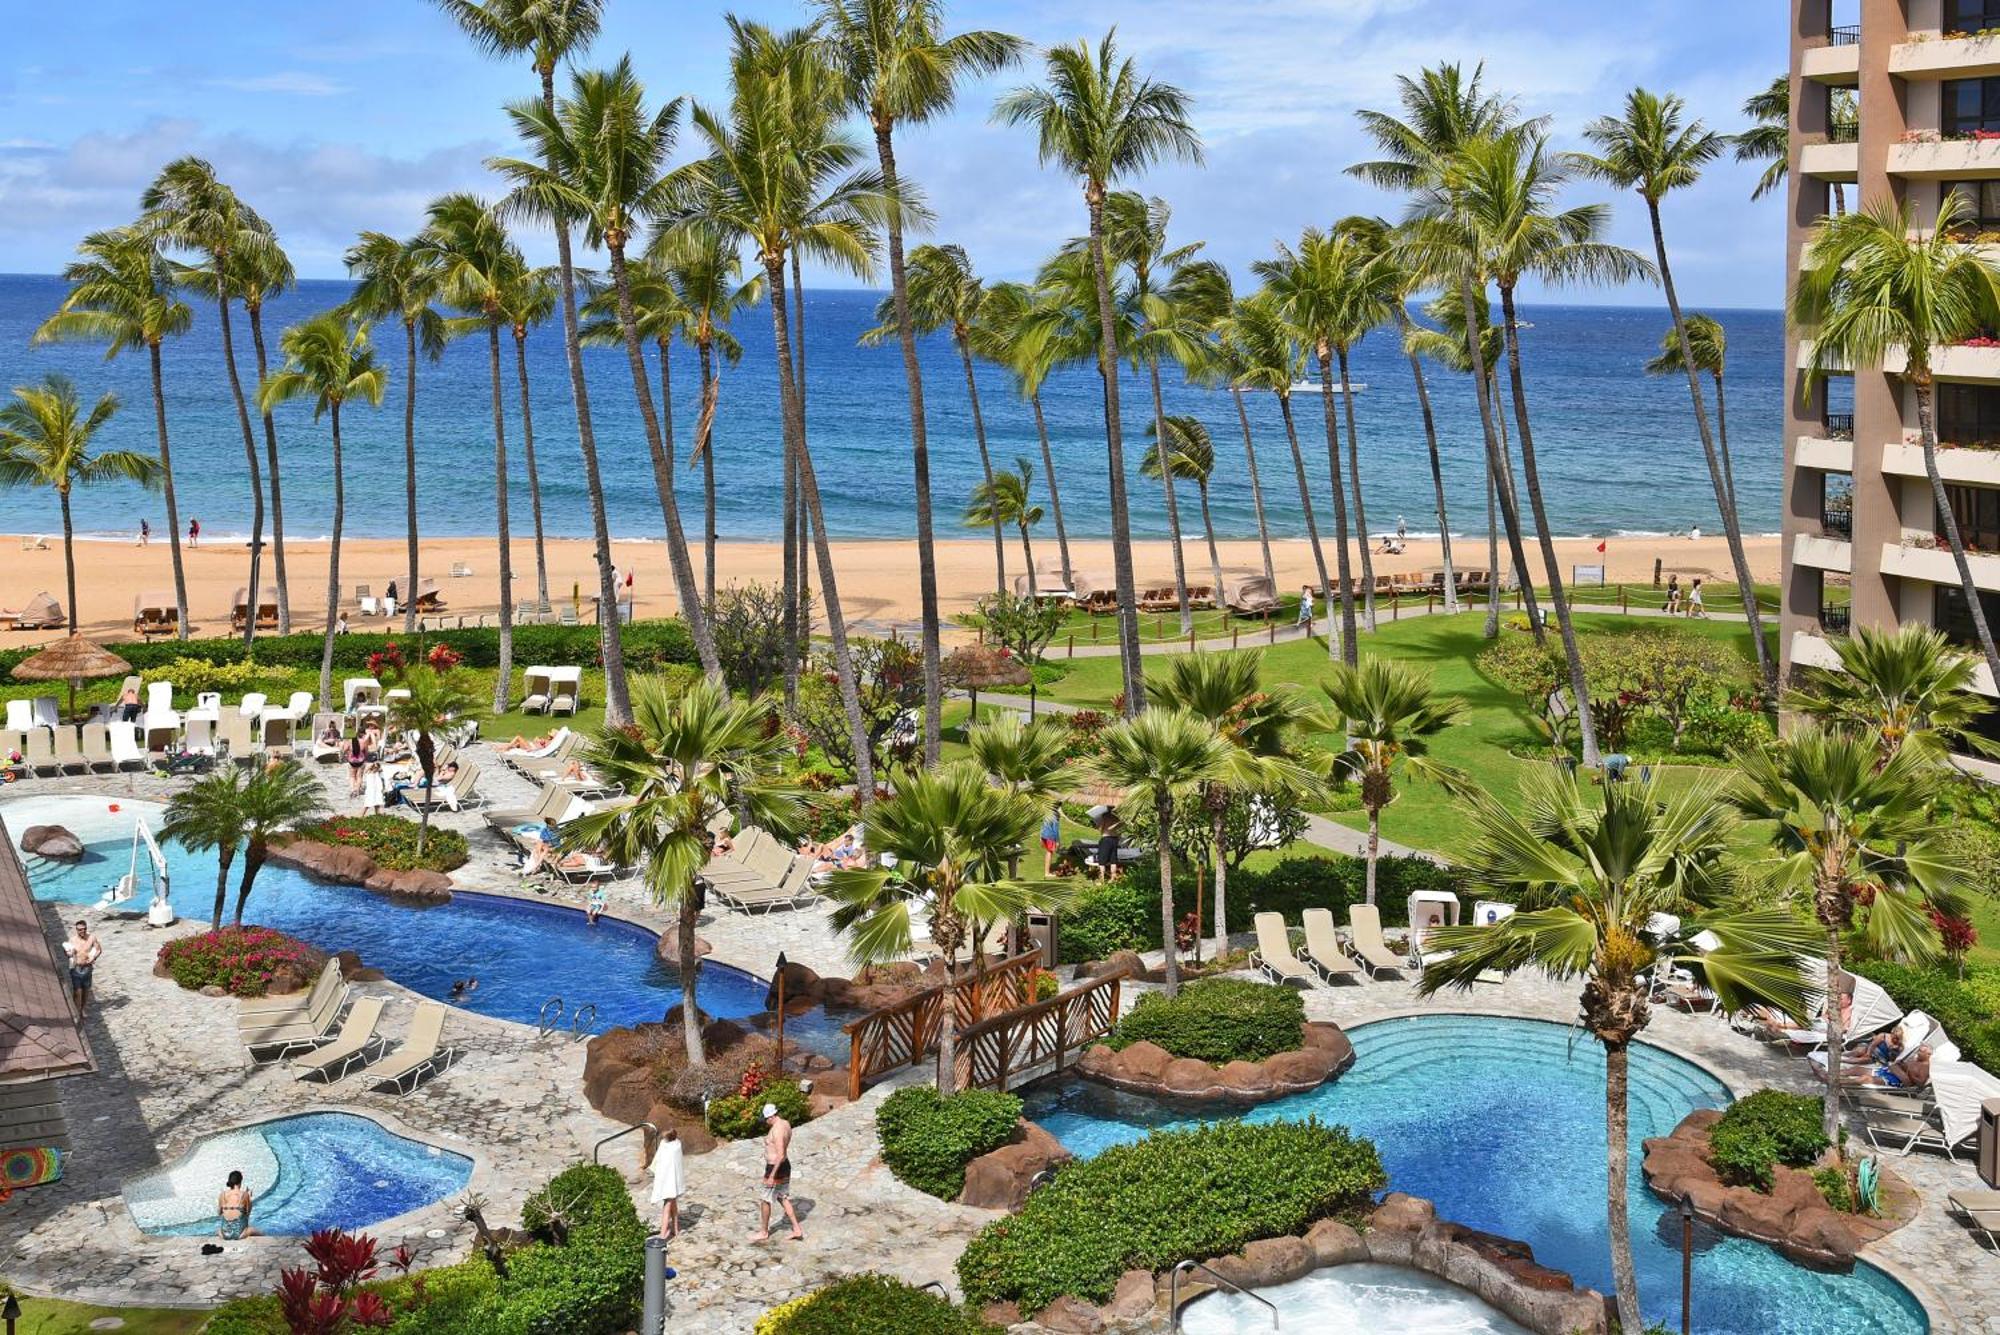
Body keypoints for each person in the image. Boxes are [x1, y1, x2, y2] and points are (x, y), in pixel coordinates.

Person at [750, 1102, 803, 1242]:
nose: (766, 1123)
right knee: (782, 1197)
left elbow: (780, 1154)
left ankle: (764, 1231)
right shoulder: (786, 1124)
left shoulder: (777, 1130)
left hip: (776, 1168)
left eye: (766, 1120)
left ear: (771, 1117)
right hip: (785, 1166)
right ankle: (797, 1229)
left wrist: (771, 1175)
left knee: (765, 1200)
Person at [649, 1129, 684, 1239]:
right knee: (673, 1203)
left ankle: (663, 1235)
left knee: (667, 1206)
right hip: (674, 1181)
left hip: (668, 1182)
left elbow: (661, 1161)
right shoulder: (677, 1145)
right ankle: (676, 1228)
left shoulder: (666, 1148)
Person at [64, 919, 101, 1012]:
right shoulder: (72, 940)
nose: (82, 931)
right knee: (78, 991)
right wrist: (69, 953)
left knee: (86, 991)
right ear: (76, 930)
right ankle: (77, 1010)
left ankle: (82, 1009)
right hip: (76, 968)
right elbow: (67, 952)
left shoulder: (92, 938)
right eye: (80, 929)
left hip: (87, 968)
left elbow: (99, 950)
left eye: (84, 929)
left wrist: (94, 957)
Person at [217, 1170, 255, 1240]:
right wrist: (250, 1198)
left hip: (225, 1234)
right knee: (256, 1231)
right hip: (240, 1234)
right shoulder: (244, 1195)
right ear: (240, 1182)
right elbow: (247, 1214)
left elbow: (219, 1213)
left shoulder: (222, 1194)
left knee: (218, 1230)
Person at [1040, 806, 1063, 877]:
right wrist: (1057, 841)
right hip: (1050, 836)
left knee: (1048, 852)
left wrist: (1040, 837)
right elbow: (1055, 830)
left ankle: (1046, 871)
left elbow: (1042, 826)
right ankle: (1047, 873)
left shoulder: (1047, 813)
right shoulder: (1055, 815)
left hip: (1044, 835)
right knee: (1049, 852)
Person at [346, 733, 367, 798]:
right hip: (360, 761)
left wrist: (347, 754)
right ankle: (357, 790)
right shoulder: (363, 742)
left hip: (352, 761)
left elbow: (345, 749)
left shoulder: (349, 742)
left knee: (352, 776)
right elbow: (366, 751)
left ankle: (352, 790)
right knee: (359, 776)